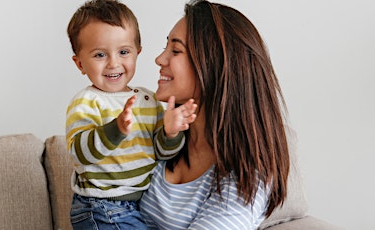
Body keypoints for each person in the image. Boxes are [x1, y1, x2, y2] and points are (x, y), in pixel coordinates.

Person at [139, 0, 291, 229]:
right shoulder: (159, 134)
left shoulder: (248, 174)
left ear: (213, 65)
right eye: (165, 47)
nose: (159, 59)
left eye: (176, 50)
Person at [65, 0, 197, 229]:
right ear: (80, 64)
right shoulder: (86, 101)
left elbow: (161, 153)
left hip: (138, 205)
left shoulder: (148, 100)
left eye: (123, 52)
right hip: (100, 206)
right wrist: (116, 129)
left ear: (138, 53)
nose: (113, 63)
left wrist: (170, 132)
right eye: (99, 55)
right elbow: (80, 153)